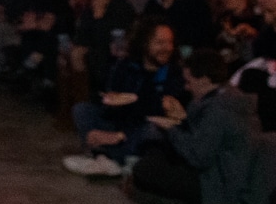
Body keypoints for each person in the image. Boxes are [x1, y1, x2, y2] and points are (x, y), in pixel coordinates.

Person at [126, 50, 273, 204]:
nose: (186, 87)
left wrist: (172, 129)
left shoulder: (220, 108)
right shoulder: (225, 98)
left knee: (147, 168)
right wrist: (181, 121)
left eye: (189, 81)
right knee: (156, 146)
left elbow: (198, 156)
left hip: (222, 187)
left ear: (204, 79)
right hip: (221, 176)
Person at [64, 19, 186, 176]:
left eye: (169, 43)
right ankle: (107, 156)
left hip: (141, 129)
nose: (167, 48)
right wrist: (108, 103)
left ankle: (104, 156)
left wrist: (120, 135)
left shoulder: (174, 73)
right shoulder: (126, 65)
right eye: (160, 43)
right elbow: (109, 98)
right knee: (82, 110)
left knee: (152, 130)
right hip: (120, 125)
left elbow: (158, 112)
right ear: (144, 44)